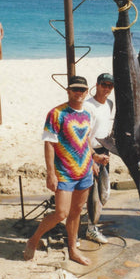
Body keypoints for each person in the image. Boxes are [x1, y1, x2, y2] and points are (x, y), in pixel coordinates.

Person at [24, 76, 109, 265]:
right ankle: (35, 238)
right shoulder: (56, 113)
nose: (78, 93)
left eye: (82, 90)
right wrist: (50, 173)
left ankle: (73, 250)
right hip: (64, 172)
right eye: (75, 89)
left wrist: (94, 157)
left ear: (87, 92)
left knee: (77, 211)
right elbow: (49, 144)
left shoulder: (87, 114)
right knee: (61, 213)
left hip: (85, 171)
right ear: (68, 91)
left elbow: (85, 139)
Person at [83, 73, 114, 244]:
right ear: (97, 85)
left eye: (110, 85)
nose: (106, 88)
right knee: (92, 193)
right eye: (104, 84)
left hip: (105, 151)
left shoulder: (110, 103)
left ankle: (92, 223)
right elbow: (84, 135)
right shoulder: (88, 106)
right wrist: (92, 158)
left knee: (103, 192)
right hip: (91, 152)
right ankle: (91, 229)